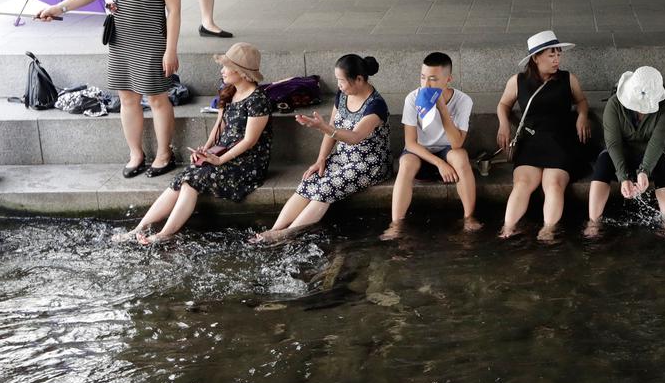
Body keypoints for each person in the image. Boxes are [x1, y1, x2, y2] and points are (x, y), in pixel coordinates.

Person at [36, 0, 182, 179]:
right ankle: (136, 154)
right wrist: (59, 8)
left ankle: (164, 154)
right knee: (127, 98)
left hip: (151, 41)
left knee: (156, 98)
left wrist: (170, 50)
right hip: (121, 38)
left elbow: (173, 11)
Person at [114, 43, 272, 243]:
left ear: (241, 72)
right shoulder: (229, 91)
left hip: (246, 162)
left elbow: (250, 141)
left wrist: (219, 160)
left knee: (191, 181)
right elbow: (219, 127)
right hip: (222, 155)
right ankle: (139, 229)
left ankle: (164, 234)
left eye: (226, 67)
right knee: (184, 177)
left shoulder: (258, 99)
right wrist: (205, 150)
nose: (222, 70)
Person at [254, 55, 390, 243]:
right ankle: (275, 229)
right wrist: (321, 159)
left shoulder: (376, 105)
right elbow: (333, 127)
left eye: (342, 80)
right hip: (343, 158)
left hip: (369, 164)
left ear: (359, 79)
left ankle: (286, 235)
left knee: (326, 188)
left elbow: (355, 137)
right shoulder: (343, 95)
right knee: (310, 180)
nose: (339, 85)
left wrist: (322, 126)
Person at [496, 31, 590, 242]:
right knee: (523, 183)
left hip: (561, 140)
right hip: (531, 141)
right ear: (536, 57)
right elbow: (503, 105)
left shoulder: (568, 79)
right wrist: (503, 124)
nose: (557, 59)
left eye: (558, 54)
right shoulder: (518, 81)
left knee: (553, 183)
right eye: (551, 54)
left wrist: (582, 116)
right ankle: (508, 228)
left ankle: (548, 229)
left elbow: (582, 101)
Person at [387, 51, 480, 235]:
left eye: (433, 79)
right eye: (423, 78)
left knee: (461, 156)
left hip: (447, 151)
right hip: (420, 153)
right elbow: (410, 143)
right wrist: (439, 163)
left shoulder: (463, 101)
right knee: (405, 163)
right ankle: (396, 225)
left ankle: (469, 218)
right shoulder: (413, 98)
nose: (426, 84)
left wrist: (443, 109)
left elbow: (457, 144)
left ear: (448, 79)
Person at [586, 66, 665, 236]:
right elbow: (613, 143)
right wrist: (623, 177)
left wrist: (644, 171)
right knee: (603, 164)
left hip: (651, 152)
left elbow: (658, 142)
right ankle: (593, 222)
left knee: (663, 166)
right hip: (621, 151)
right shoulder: (614, 104)